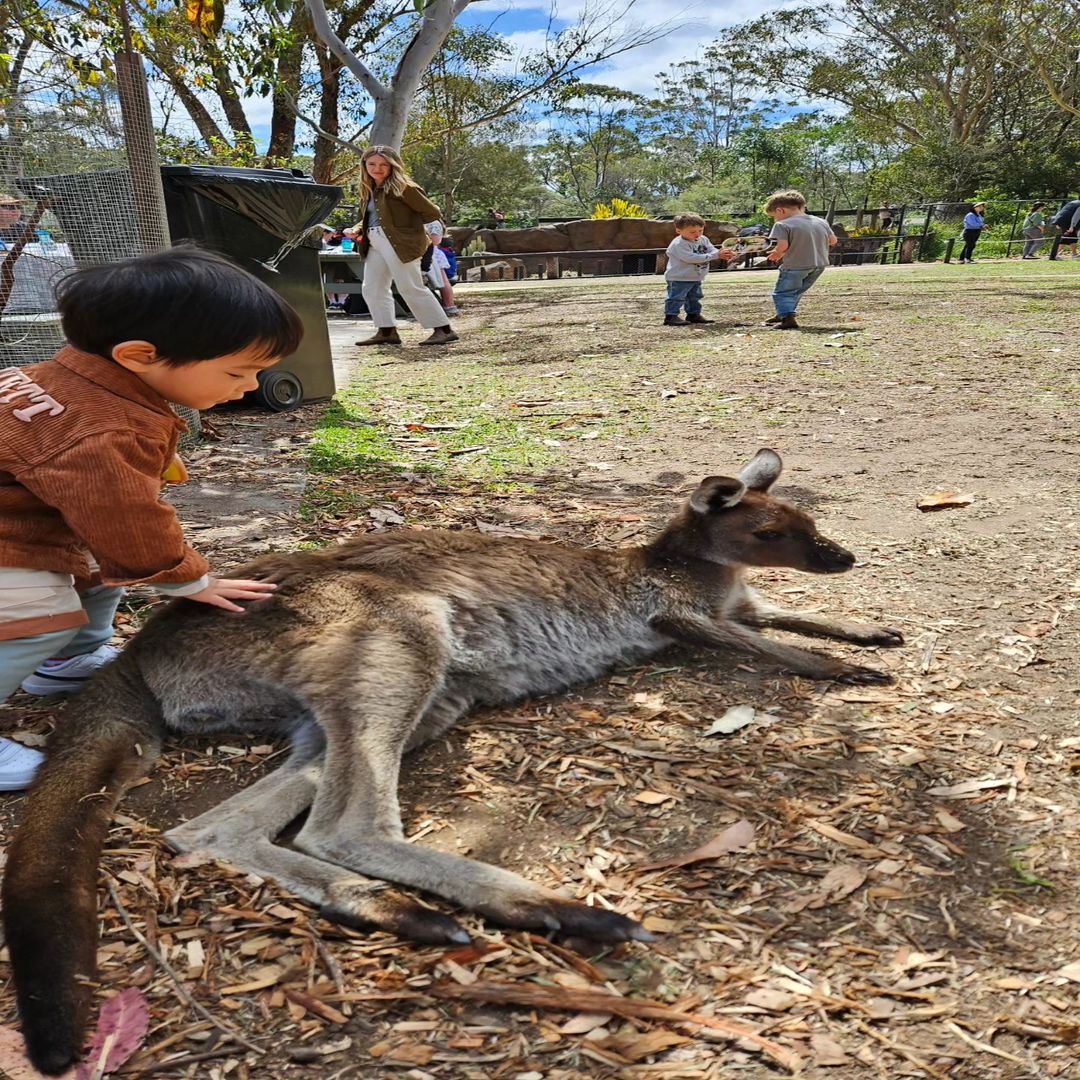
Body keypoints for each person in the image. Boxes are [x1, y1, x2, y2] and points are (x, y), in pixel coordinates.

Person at [0, 247, 300, 790]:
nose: (252, 386)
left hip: (30, 524)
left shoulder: (65, 383)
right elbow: (124, 518)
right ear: (139, 355)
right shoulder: (101, 432)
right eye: (239, 370)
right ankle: (51, 648)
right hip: (7, 542)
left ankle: (71, 659)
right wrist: (187, 576)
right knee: (33, 618)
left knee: (98, 566)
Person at [354, 145, 458, 347]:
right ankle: (386, 331)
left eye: (384, 164)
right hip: (375, 242)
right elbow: (374, 218)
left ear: (393, 166)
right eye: (372, 164)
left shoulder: (404, 187)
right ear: (364, 165)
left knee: (410, 286)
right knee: (372, 287)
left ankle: (444, 330)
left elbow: (431, 212)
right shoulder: (369, 188)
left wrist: (408, 232)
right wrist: (357, 227)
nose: (377, 168)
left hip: (399, 243)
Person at [764, 190, 838, 330]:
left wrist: (777, 253)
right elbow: (833, 240)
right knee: (797, 291)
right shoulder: (821, 222)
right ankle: (783, 313)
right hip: (818, 265)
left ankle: (788, 319)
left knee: (783, 292)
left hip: (795, 265)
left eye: (774, 216)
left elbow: (783, 246)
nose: (776, 220)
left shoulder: (782, 225)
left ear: (781, 210)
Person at [663, 212, 728, 326]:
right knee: (676, 297)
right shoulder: (679, 244)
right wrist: (715, 255)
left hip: (695, 276)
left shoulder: (703, 239)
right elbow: (690, 258)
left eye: (700, 230)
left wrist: (719, 253)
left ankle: (694, 314)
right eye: (692, 232)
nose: (697, 234)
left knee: (695, 296)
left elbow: (711, 250)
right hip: (679, 277)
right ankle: (671, 316)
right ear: (679, 231)